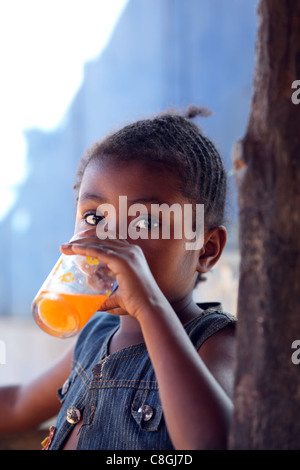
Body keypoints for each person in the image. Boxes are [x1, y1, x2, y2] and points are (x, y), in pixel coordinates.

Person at [0, 107, 236, 450]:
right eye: (95, 216)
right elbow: (20, 403)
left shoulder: (215, 343)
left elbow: (213, 443)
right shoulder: (95, 337)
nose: (110, 237)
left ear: (205, 249)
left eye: (145, 223)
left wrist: (149, 304)